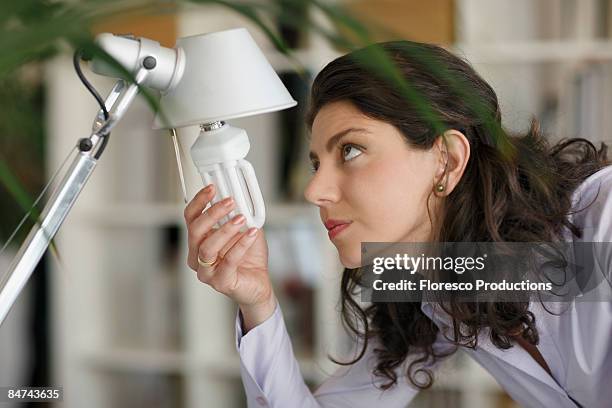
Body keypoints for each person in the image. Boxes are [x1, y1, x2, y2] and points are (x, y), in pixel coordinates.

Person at [183, 40, 612, 407]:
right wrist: (258, 303)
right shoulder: (432, 273)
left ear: (447, 159)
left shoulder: (603, 221)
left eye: (350, 150)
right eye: (317, 163)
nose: (315, 191)